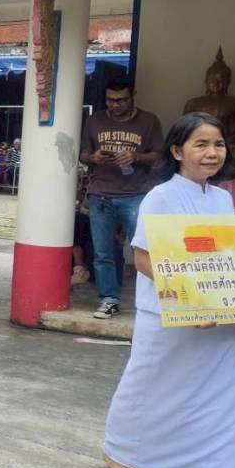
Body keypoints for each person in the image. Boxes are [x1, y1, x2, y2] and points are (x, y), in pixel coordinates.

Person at [103, 112, 235, 468]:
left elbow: (229, 258)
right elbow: (142, 257)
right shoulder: (160, 196)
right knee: (149, 384)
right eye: (200, 144)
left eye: (218, 144)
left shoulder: (222, 199)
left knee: (227, 395)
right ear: (177, 151)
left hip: (216, 319)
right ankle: (119, 450)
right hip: (168, 313)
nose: (211, 152)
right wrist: (189, 300)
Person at [80, 75, 163, 319]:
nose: (115, 105)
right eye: (110, 100)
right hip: (101, 193)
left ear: (133, 96)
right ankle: (109, 299)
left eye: (121, 100)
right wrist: (93, 158)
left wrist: (136, 157)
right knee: (103, 252)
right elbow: (83, 154)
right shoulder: (95, 120)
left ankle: (155, 300)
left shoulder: (149, 121)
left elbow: (159, 156)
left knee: (146, 249)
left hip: (136, 194)